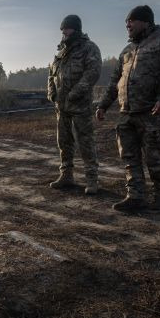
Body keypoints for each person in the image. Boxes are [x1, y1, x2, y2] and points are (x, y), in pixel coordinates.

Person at [96, 5, 160, 211]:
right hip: (126, 113)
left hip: (151, 112)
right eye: (126, 21)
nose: (127, 24)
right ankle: (135, 195)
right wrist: (103, 105)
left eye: (132, 20)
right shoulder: (126, 50)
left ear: (146, 21)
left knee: (153, 156)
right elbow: (114, 81)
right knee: (128, 157)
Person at [47, 14, 102, 194]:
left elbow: (92, 73)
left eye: (67, 28)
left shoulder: (89, 48)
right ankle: (67, 175)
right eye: (62, 29)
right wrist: (52, 93)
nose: (63, 31)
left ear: (76, 29)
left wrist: (75, 93)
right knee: (64, 142)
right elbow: (51, 74)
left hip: (80, 106)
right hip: (61, 107)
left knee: (85, 141)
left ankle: (92, 179)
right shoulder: (60, 51)